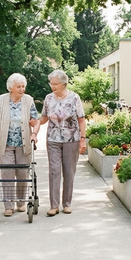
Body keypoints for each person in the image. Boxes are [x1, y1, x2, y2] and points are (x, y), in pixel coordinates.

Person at [0, 73, 40, 217]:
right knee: (7, 173)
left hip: (24, 143)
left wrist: (34, 133)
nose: (22, 89)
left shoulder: (28, 100)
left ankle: (21, 202)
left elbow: (35, 121)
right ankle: (8, 206)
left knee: (23, 173)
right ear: (11, 87)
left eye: (23, 86)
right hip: (5, 143)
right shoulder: (2, 100)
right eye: (19, 86)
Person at [38, 69, 86, 216]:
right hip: (53, 139)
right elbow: (44, 118)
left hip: (71, 139)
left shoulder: (74, 98)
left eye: (55, 84)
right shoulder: (48, 98)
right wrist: (34, 122)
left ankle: (67, 204)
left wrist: (83, 139)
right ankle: (54, 206)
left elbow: (81, 119)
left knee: (69, 171)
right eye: (51, 83)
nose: (52, 86)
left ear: (64, 84)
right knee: (54, 171)